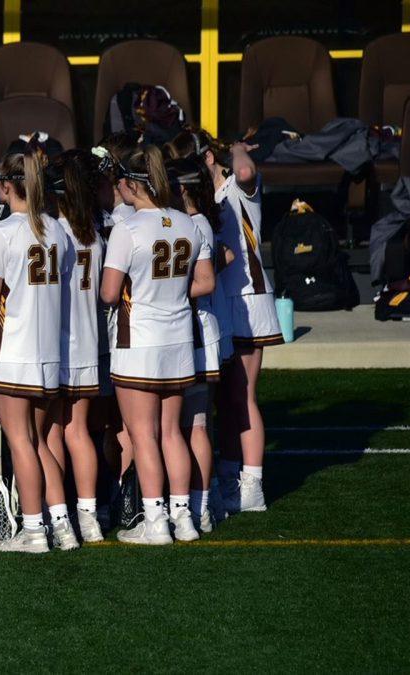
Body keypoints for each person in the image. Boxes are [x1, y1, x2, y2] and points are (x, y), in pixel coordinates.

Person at [100, 145, 214, 545]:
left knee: (143, 435)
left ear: (132, 185)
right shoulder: (186, 223)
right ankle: (183, 518)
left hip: (139, 342)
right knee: (172, 433)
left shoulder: (127, 230)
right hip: (179, 339)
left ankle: (155, 521)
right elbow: (205, 281)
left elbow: (110, 293)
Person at [0, 143, 68, 554]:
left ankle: (33, 531)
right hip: (48, 348)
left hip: (11, 349)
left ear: (5, 188)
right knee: (38, 440)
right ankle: (60, 525)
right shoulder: (58, 229)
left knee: (22, 443)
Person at [198, 130, 281, 515]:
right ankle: (233, 477)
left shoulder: (237, 187)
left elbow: (246, 169)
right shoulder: (209, 199)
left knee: (242, 398)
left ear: (210, 159)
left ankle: (253, 485)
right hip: (225, 302)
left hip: (249, 300)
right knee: (228, 402)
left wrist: (234, 147)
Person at [165, 142, 230, 532]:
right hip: (195, 332)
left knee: (194, 425)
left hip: (193, 333)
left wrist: (157, 289)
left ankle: (198, 504)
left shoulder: (195, 223)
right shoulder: (197, 222)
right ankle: (202, 503)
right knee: (193, 426)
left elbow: (203, 282)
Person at [47, 149, 109, 547]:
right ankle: (88, 517)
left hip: (56, 342)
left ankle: (59, 516)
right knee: (79, 432)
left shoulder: (55, 233)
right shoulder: (95, 235)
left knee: (52, 432)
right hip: (88, 342)